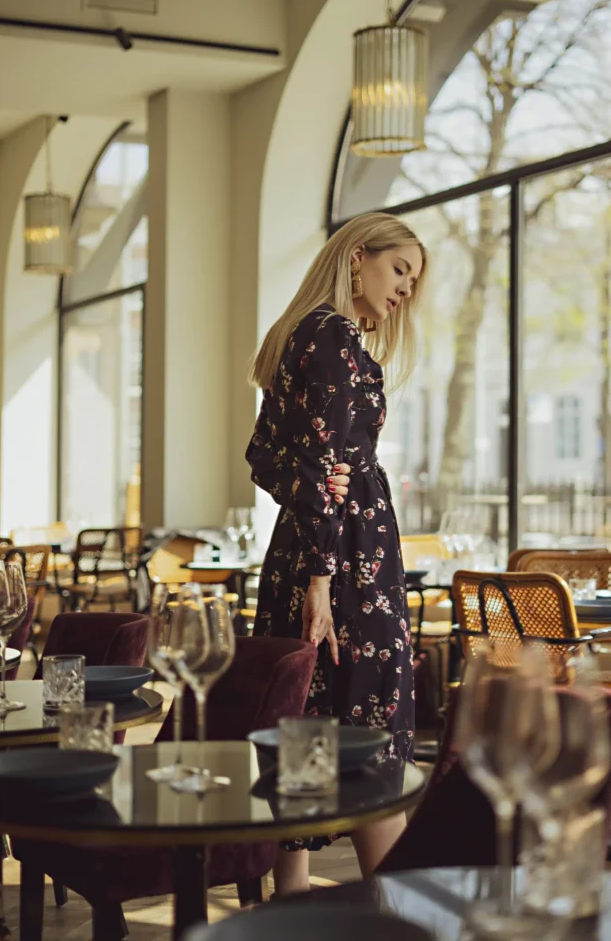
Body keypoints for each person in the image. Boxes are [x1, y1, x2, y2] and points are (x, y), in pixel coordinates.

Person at [246, 211, 426, 894]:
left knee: (307, 723)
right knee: (366, 725)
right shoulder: (334, 334)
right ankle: (407, 916)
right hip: (344, 558)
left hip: (304, 545)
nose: (405, 288)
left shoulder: (299, 333)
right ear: (357, 256)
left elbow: (265, 458)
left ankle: (289, 899)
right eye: (398, 269)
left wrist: (312, 494)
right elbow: (318, 461)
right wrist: (322, 575)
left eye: (413, 278)